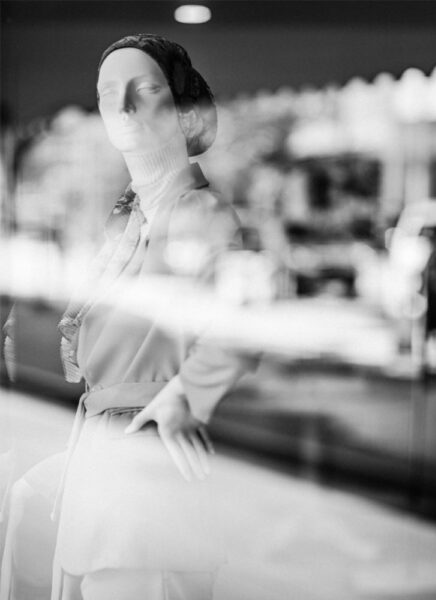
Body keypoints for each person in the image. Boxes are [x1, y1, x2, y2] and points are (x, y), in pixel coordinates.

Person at [1, 34, 253, 600]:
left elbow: (245, 324)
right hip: (103, 450)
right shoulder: (129, 220)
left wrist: (188, 393)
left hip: (143, 461)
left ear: (184, 106)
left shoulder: (196, 210)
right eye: (108, 94)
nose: (123, 106)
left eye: (147, 90)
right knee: (29, 511)